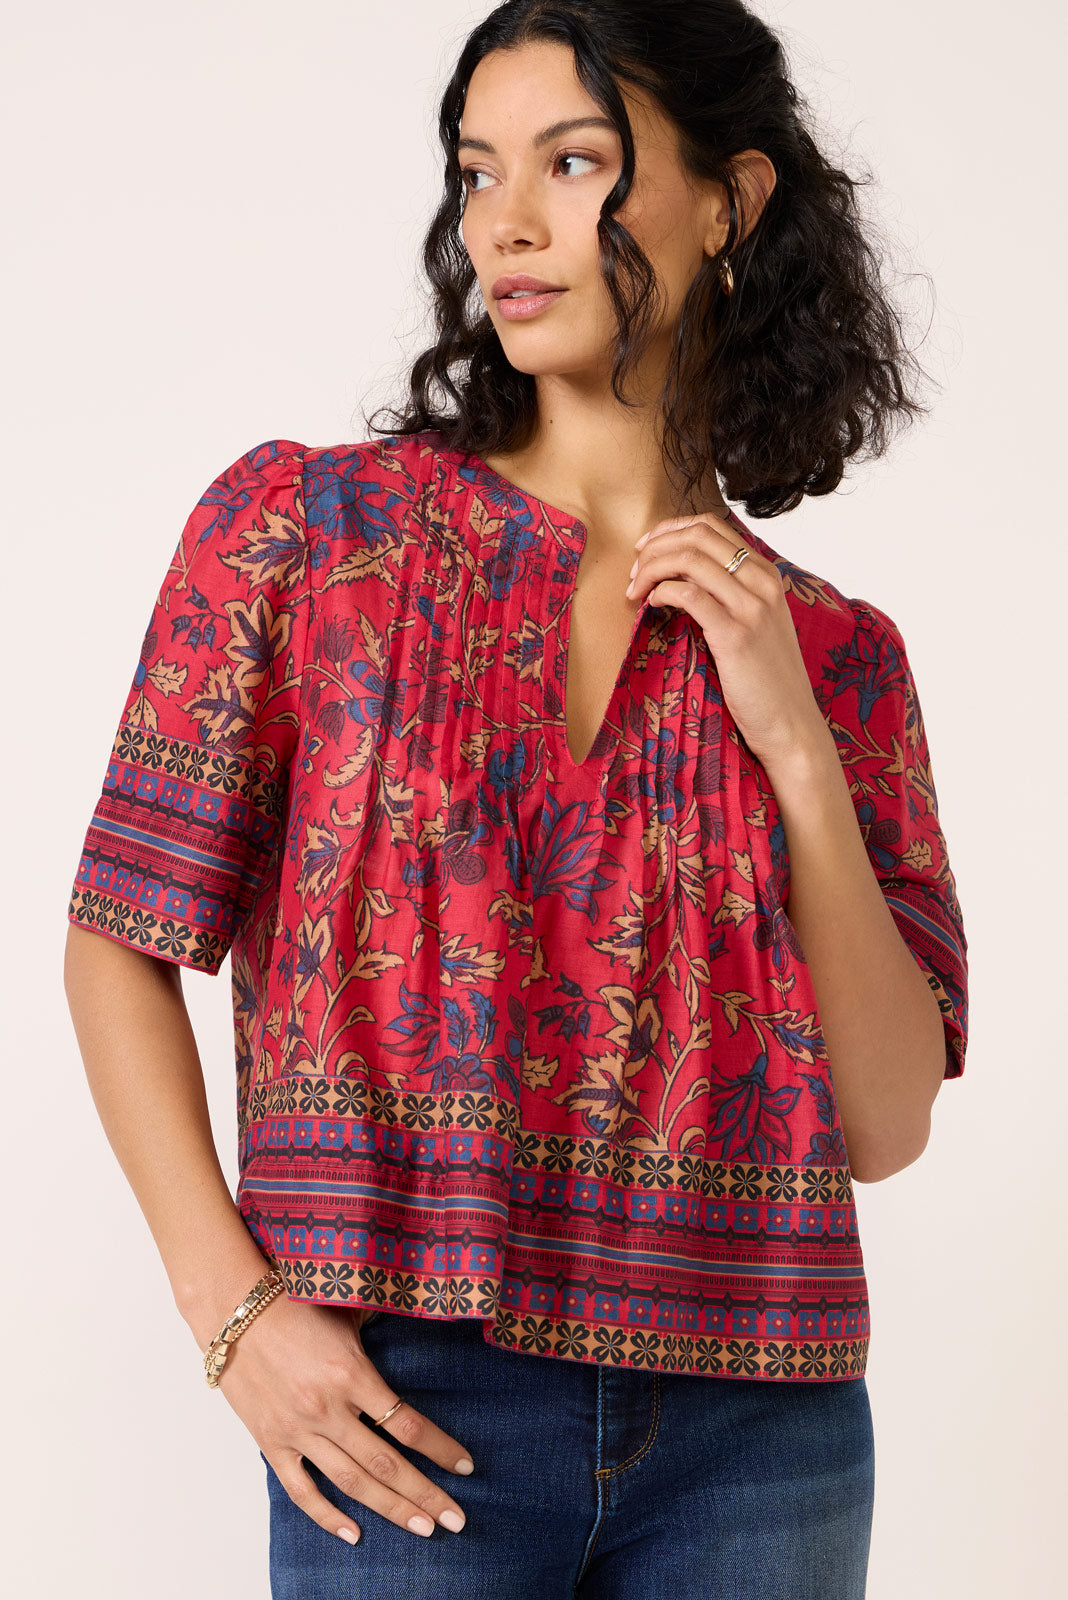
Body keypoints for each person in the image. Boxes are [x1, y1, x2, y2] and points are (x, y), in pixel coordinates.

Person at [63, 1, 969, 1595]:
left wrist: (799, 757)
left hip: (763, 1434)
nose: (507, 223)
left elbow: (885, 1123)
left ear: (731, 201)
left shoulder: (838, 654)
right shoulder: (310, 537)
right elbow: (118, 937)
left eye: (574, 162)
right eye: (480, 171)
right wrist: (236, 1315)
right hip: (408, 1405)